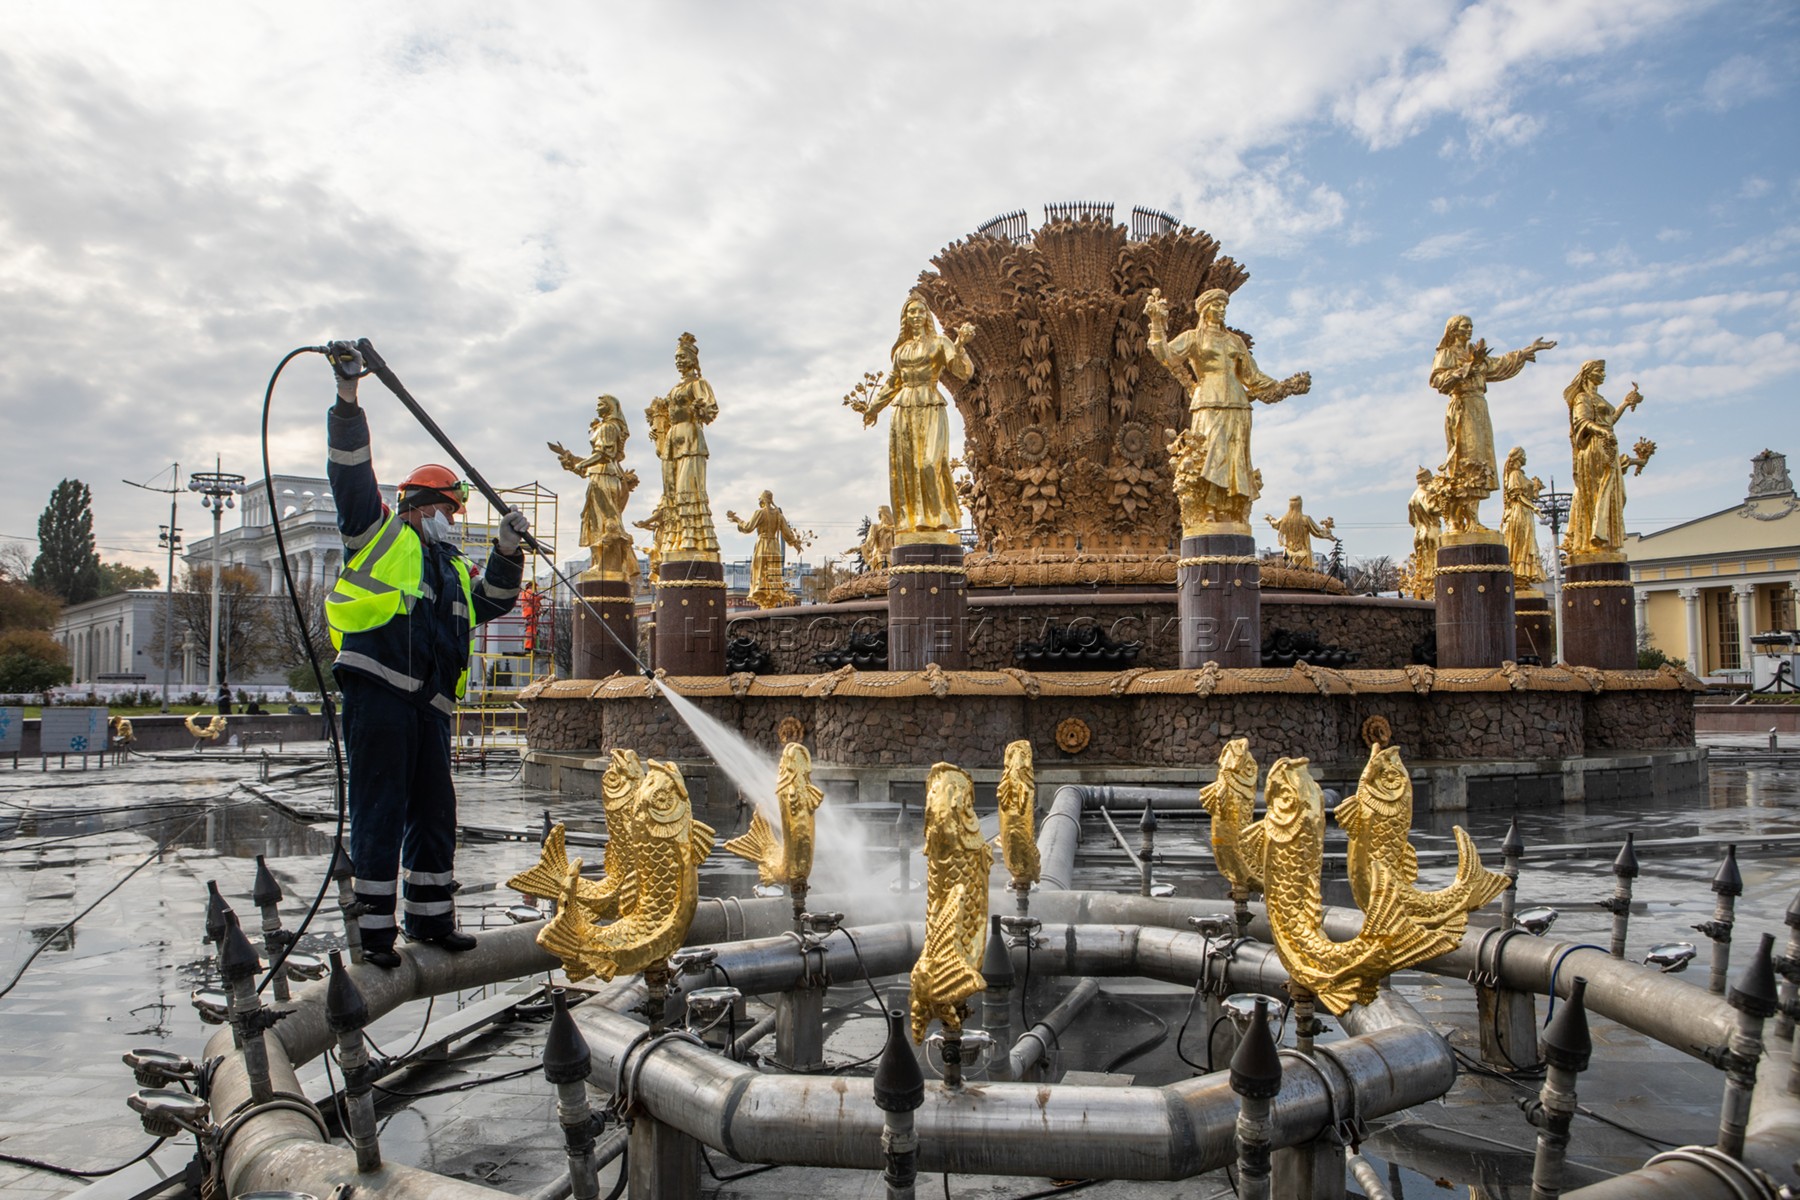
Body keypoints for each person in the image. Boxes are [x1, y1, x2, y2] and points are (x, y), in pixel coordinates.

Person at [324, 348, 529, 969]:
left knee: (436, 814)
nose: (453, 519)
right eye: (447, 509)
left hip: (430, 708)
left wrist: (509, 547)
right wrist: (348, 399)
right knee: (380, 810)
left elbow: (494, 600)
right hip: (380, 694)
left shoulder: (452, 569)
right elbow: (350, 476)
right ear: (416, 504)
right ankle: (376, 935)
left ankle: (432, 918)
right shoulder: (379, 535)